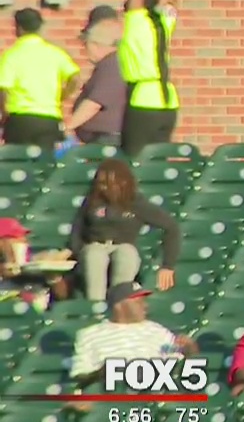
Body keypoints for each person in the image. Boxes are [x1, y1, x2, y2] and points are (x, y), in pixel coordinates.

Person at [69, 159, 181, 301]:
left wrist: (167, 266)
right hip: (95, 246)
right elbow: (78, 227)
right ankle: (95, 304)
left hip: (124, 245)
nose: (105, 188)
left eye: (110, 184)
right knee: (95, 255)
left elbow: (171, 227)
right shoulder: (92, 201)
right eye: (101, 184)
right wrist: (76, 250)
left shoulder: (135, 202)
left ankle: (120, 302)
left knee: (127, 253)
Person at [69, 282, 197, 384]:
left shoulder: (158, 331)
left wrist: (189, 350)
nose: (145, 306)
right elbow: (79, 376)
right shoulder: (89, 335)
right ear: (119, 306)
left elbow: (180, 364)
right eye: (139, 302)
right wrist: (102, 373)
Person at [0, 8, 80, 149]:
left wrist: (5, 114)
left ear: (19, 28)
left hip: (20, 119)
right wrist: (61, 97)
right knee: (45, 159)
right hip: (49, 119)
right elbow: (75, 78)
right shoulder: (55, 53)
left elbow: (3, 89)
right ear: (39, 27)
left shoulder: (12, 55)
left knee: (18, 159)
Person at [117, 0, 179, 158]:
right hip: (168, 100)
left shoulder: (137, 23)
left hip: (144, 97)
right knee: (159, 158)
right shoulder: (164, 23)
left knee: (135, 157)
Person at [64, 7, 127, 147]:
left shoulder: (112, 64)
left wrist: (67, 126)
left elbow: (94, 103)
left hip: (106, 139)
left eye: (86, 44)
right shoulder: (111, 63)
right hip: (103, 138)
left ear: (96, 45)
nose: (85, 50)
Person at [1, 217, 72, 309]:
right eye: (15, 237)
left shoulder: (38, 262)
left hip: (36, 313)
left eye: (22, 236)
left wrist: (54, 278)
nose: (23, 240)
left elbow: (63, 299)